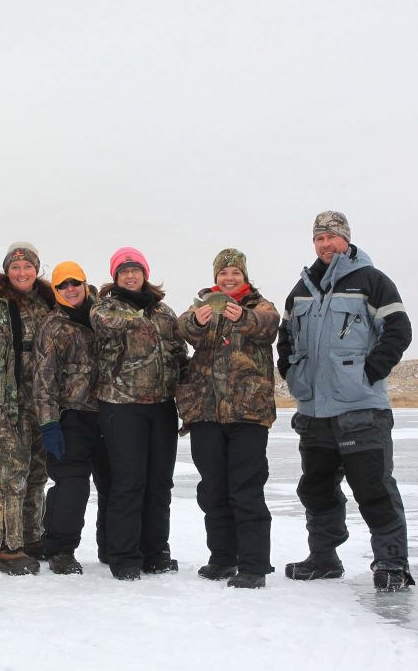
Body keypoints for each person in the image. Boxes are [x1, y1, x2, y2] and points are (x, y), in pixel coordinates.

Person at [277, 211, 414, 592]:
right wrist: (291, 372)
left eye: (331, 238)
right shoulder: (301, 289)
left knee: (373, 488)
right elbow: (285, 337)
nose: (324, 245)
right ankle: (323, 559)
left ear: (346, 239)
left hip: (361, 410)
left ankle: (391, 563)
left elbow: (398, 330)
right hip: (314, 412)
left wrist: (369, 372)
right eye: (319, 239)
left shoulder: (372, 281)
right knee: (316, 488)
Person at [176, 248, 279, 589]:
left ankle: (253, 566)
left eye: (235, 273)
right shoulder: (204, 305)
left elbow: (268, 326)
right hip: (206, 414)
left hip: (247, 414)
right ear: (216, 277)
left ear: (244, 276)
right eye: (224, 273)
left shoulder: (260, 306)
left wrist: (243, 319)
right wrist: (196, 321)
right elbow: (183, 329)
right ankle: (222, 558)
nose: (229, 278)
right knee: (213, 490)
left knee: (246, 489)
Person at [91, 247, 188, 581]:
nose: (130, 275)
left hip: (161, 407)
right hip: (121, 406)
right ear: (115, 277)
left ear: (145, 273)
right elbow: (105, 325)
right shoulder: (105, 307)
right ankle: (124, 555)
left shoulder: (163, 312)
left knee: (159, 483)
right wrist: (134, 317)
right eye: (123, 271)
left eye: (135, 270)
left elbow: (178, 353)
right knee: (128, 482)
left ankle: (156, 551)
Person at [0, 242, 55, 575]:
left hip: (44, 403)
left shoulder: (49, 302)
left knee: (37, 475)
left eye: (28, 266)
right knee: (11, 475)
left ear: (36, 269)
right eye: (16, 267)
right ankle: (8, 547)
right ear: (7, 270)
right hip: (9, 402)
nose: (22, 272)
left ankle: (31, 536)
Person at [33, 262, 109, 575]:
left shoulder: (103, 316)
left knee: (115, 485)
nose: (70, 289)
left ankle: (114, 546)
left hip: (110, 413)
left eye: (74, 283)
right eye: (62, 285)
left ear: (84, 283)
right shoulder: (53, 325)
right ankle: (60, 548)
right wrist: (49, 423)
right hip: (71, 417)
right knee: (72, 486)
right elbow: (43, 379)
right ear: (56, 290)